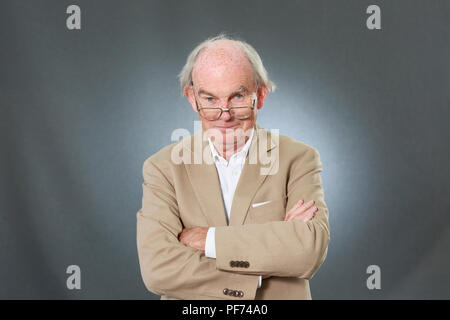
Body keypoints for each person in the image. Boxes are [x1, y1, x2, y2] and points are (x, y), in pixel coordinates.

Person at [136, 34, 330, 300]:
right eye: (210, 99)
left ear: (259, 95)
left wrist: (210, 241)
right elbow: (158, 269)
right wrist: (268, 260)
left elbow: (307, 250)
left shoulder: (299, 158)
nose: (224, 114)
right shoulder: (162, 168)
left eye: (237, 96)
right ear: (192, 98)